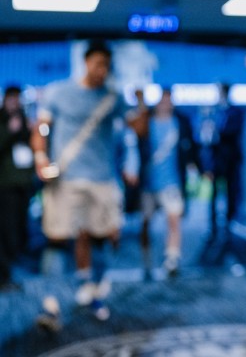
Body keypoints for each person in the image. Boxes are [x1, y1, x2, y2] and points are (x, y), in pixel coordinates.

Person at [30, 41, 149, 327]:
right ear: (86, 63)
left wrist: (142, 100)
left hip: (102, 179)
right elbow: (42, 127)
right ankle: (50, 305)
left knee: (101, 237)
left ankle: (95, 293)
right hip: (66, 178)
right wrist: (40, 157)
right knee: (57, 239)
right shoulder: (60, 92)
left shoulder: (113, 97)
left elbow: (140, 129)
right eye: (97, 64)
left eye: (106, 65)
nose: (101, 70)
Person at [125, 87, 200, 276]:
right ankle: (146, 257)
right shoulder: (146, 122)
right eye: (163, 100)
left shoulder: (180, 123)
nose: (166, 104)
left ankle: (172, 258)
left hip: (172, 182)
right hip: (148, 183)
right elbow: (134, 137)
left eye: (169, 100)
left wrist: (198, 167)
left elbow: (191, 148)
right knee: (145, 223)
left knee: (174, 220)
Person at [1, 85, 36, 291]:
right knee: (6, 232)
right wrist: (9, 131)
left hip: (23, 185)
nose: (15, 103)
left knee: (18, 231)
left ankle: (10, 271)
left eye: (17, 99)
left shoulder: (24, 120)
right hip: (5, 186)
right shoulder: (3, 121)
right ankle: (3, 276)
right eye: (11, 98)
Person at [204, 82, 245, 239]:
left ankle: (229, 221)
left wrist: (217, 132)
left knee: (230, 192)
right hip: (216, 160)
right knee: (213, 193)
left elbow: (232, 132)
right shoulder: (213, 112)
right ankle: (213, 224)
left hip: (231, 160)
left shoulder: (235, 112)